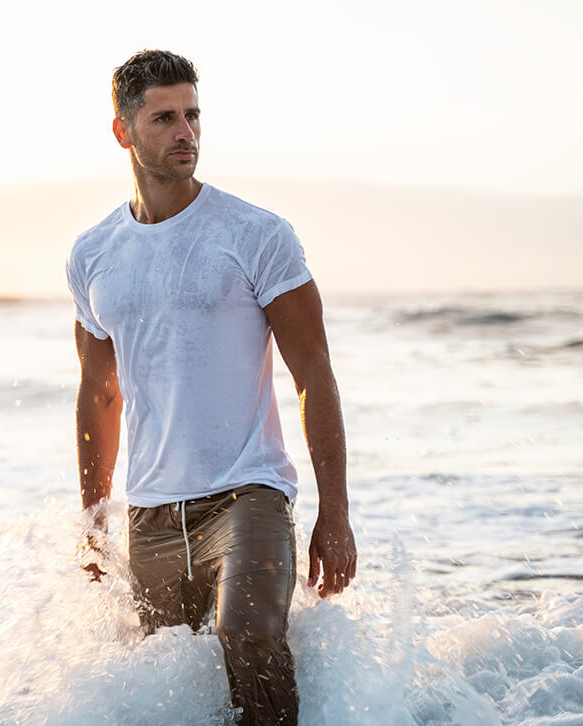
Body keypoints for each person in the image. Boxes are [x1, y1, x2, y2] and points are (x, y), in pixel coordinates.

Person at [66, 49, 356, 726]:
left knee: (249, 635)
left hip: (248, 494)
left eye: (192, 115)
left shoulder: (255, 234)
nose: (185, 131)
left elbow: (313, 371)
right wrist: (92, 520)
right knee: (169, 681)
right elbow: (98, 392)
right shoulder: (93, 253)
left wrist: (334, 513)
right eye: (164, 117)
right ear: (123, 131)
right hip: (150, 512)